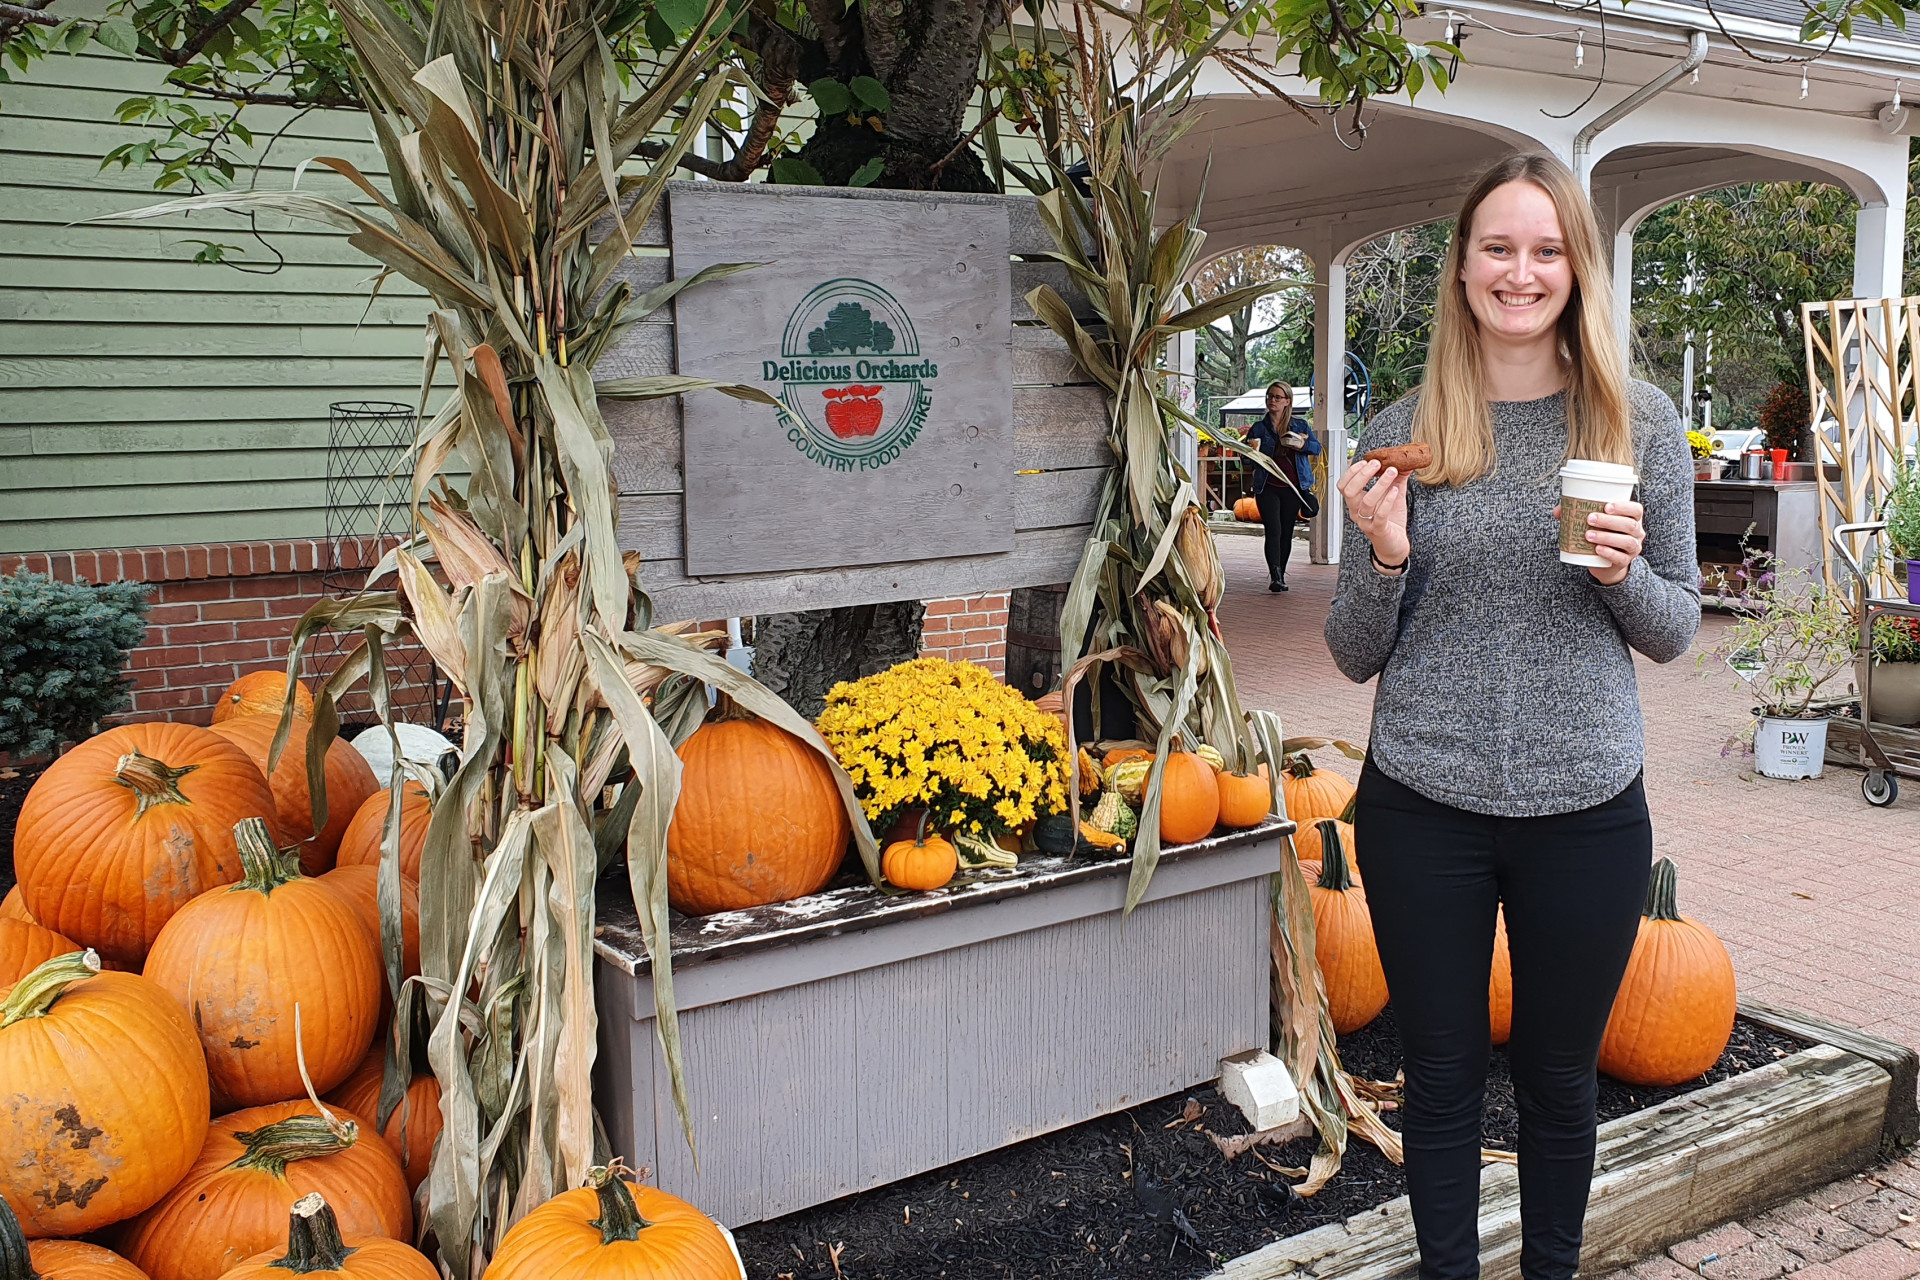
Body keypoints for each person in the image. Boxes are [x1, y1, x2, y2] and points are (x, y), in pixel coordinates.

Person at [1324, 152, 1699, 1280]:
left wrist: (1622, 574)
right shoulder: (1406, 429)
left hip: (1585, 804)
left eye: (1546, 250)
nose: (1520, 272)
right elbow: (1352, 652)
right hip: (1421, 803)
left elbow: (1675, 628)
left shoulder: (1635, 422)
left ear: (1576, 268)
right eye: (1498, 247)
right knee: (1440, 1076)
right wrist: (1386, 555)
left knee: (1558, 1078)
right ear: (1462, 266)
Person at [1245, 381, 1322, 592]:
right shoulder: (1259, 428)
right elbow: (1246, 459)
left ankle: (1281, 572)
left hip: (1293, 486)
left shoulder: (1300, 426)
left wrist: (1302, 444)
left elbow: (1316, 448)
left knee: (1286, 531)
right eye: (1270, 396)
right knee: (1273, 529)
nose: (1273, 400)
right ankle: (1275, 575)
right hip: (1267, 485)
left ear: (1287, 401)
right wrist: (1250, 454)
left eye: (1278, 397)